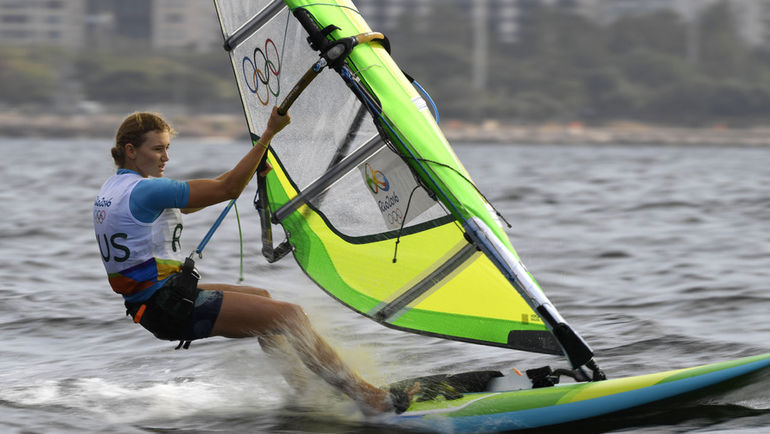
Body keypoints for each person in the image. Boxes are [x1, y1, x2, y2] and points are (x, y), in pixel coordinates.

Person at [93, 107, 414, 413]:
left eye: (167, 149)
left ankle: (306, 394)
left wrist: (249, 165)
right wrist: (268, 135)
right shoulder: (147, 191)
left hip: (153, 302)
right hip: (166, 304)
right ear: (131, 150)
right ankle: (368, 399)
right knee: (291, 316)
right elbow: (226, 188)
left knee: (264, 301)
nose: (165, 157)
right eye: (157, 149)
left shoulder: (115, 190)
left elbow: (191, 203)